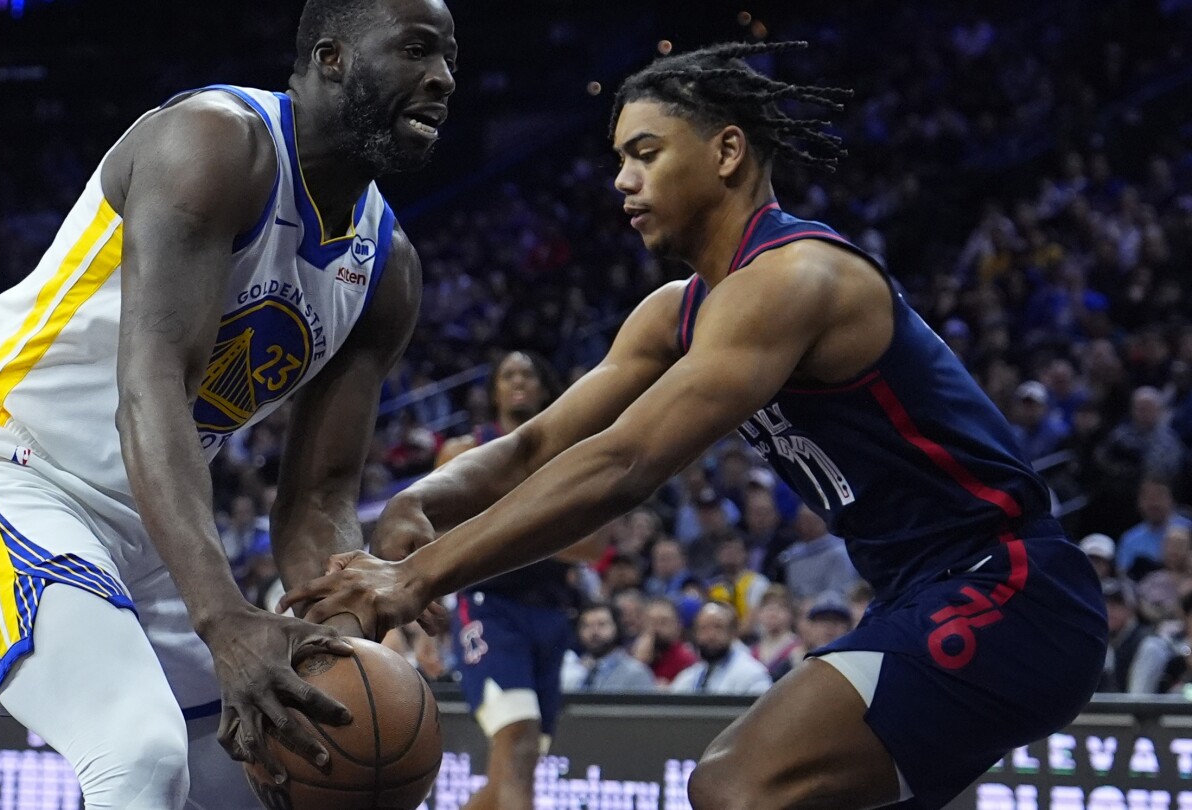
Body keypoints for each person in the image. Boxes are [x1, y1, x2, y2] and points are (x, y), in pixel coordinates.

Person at [284, 40, 1106, 809]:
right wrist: (425, 498)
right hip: (922, 592)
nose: (621, 181)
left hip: (1008, 586)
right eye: (617, 160)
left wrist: (418, 576)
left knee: (734, 786)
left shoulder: (796, 277)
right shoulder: (678, 313)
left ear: (726, 152)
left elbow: (625, 462)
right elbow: (536, 442)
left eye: (645, 153)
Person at [0, 1, 457, 807]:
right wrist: (224, 619)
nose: (442, 78)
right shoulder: (215, 143)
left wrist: (344, 616)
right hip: (6, 469)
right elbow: (149, 390)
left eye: (450, 59)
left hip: (154, 533)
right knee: (140, 756)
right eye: (416, 50)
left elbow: (319, 498)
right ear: (331, 57)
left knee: (275, 759)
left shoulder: (388, 269)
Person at [436, 351, 594, 810]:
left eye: (528, 373)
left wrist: (500, 524)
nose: (519, 381)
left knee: (510, 768)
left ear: (545, 389)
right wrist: (547, 524)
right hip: (488, 607)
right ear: (494, 391)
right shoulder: (464, 451)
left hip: (550, 614)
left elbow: (593, 547)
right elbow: (436, 533)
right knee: (519, 743)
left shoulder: (574, 455)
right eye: (509, 375)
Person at [669, 601, 772, 695]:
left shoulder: (753, 674)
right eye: (704, 628)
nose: (711, 635)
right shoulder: (688, 677)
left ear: (733, 633)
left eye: (718, 627)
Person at [560, 602, 656, 691]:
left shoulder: (636, 673)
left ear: (617, 627)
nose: (594, 632)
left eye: (602, 624)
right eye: (586, 625)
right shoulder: (578, 672)